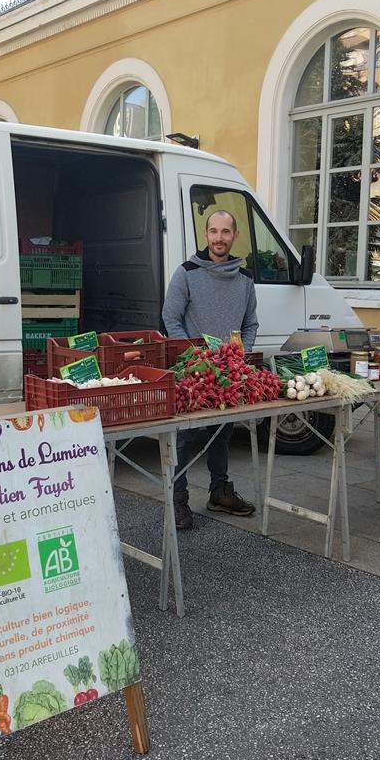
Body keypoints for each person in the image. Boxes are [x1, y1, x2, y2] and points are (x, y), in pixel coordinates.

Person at [162, 209, 259, 530]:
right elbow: (170, 318)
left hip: (227, 371)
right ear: (206, 235)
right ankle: (178, 500)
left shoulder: (244, 280)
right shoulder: (187, 273)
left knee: (222, 432)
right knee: (184, 437)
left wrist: (239, 352)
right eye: (213, 232)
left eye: (225, 232)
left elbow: (250, 324)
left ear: (235, 236)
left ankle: (220, 491)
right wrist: (192, 355)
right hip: (194, 371)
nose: (219, 238)